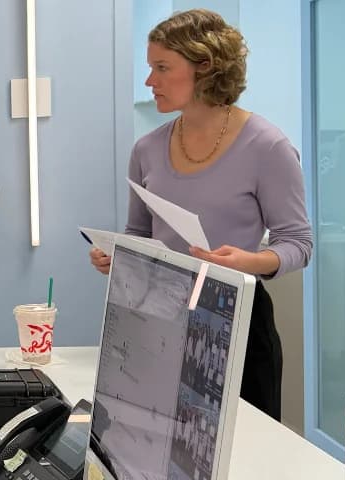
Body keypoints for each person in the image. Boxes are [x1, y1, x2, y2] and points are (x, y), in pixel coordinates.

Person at [89, 9, 312, 420]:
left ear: (205, 67)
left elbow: (298, 244)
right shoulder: (146, 149)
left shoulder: (268, 146)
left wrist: (252, 261)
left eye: (161, 67)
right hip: (160, 324)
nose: (149, 81)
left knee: (247, 460)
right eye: (150, 67)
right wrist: (117, 255)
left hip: (237, 322)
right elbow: (139, 233)